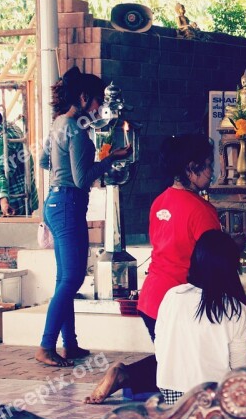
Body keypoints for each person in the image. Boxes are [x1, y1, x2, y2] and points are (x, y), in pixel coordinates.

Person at [85, 133, 219, 403]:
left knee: (175, 359)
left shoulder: (159, 202)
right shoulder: (202, 210)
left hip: (151, 300)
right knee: (187, 369)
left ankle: (126, 376)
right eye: (207, 165)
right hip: (180, 304)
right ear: (191, 170)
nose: (212, 171)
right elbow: (213, 262)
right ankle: (125, 375)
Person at [36, 67, 132, 367]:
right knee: (74, 278)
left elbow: (42, 160)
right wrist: (109, 159)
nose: (98, 107)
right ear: (83, 97)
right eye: (96, 101)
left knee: (65, 279)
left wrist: (63, 167)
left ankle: (70, 344)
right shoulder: (76, 130)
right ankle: (46, 346)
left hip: (55, 203)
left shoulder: (59, 124)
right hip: (68, 204)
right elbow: (82, 179)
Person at [155, 230, 246, 405]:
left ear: (196, 260)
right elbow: (239, 370)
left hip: (170, 389)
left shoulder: (172, 296)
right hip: (214, 396)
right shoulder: (236, 309)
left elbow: (160, 346)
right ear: (231, 267)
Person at [0, 106, 38, 216]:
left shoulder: (3, 141)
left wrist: (3, 202)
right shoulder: (10, 127)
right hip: (24, 200)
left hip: (13, 206)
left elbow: (0, 173)